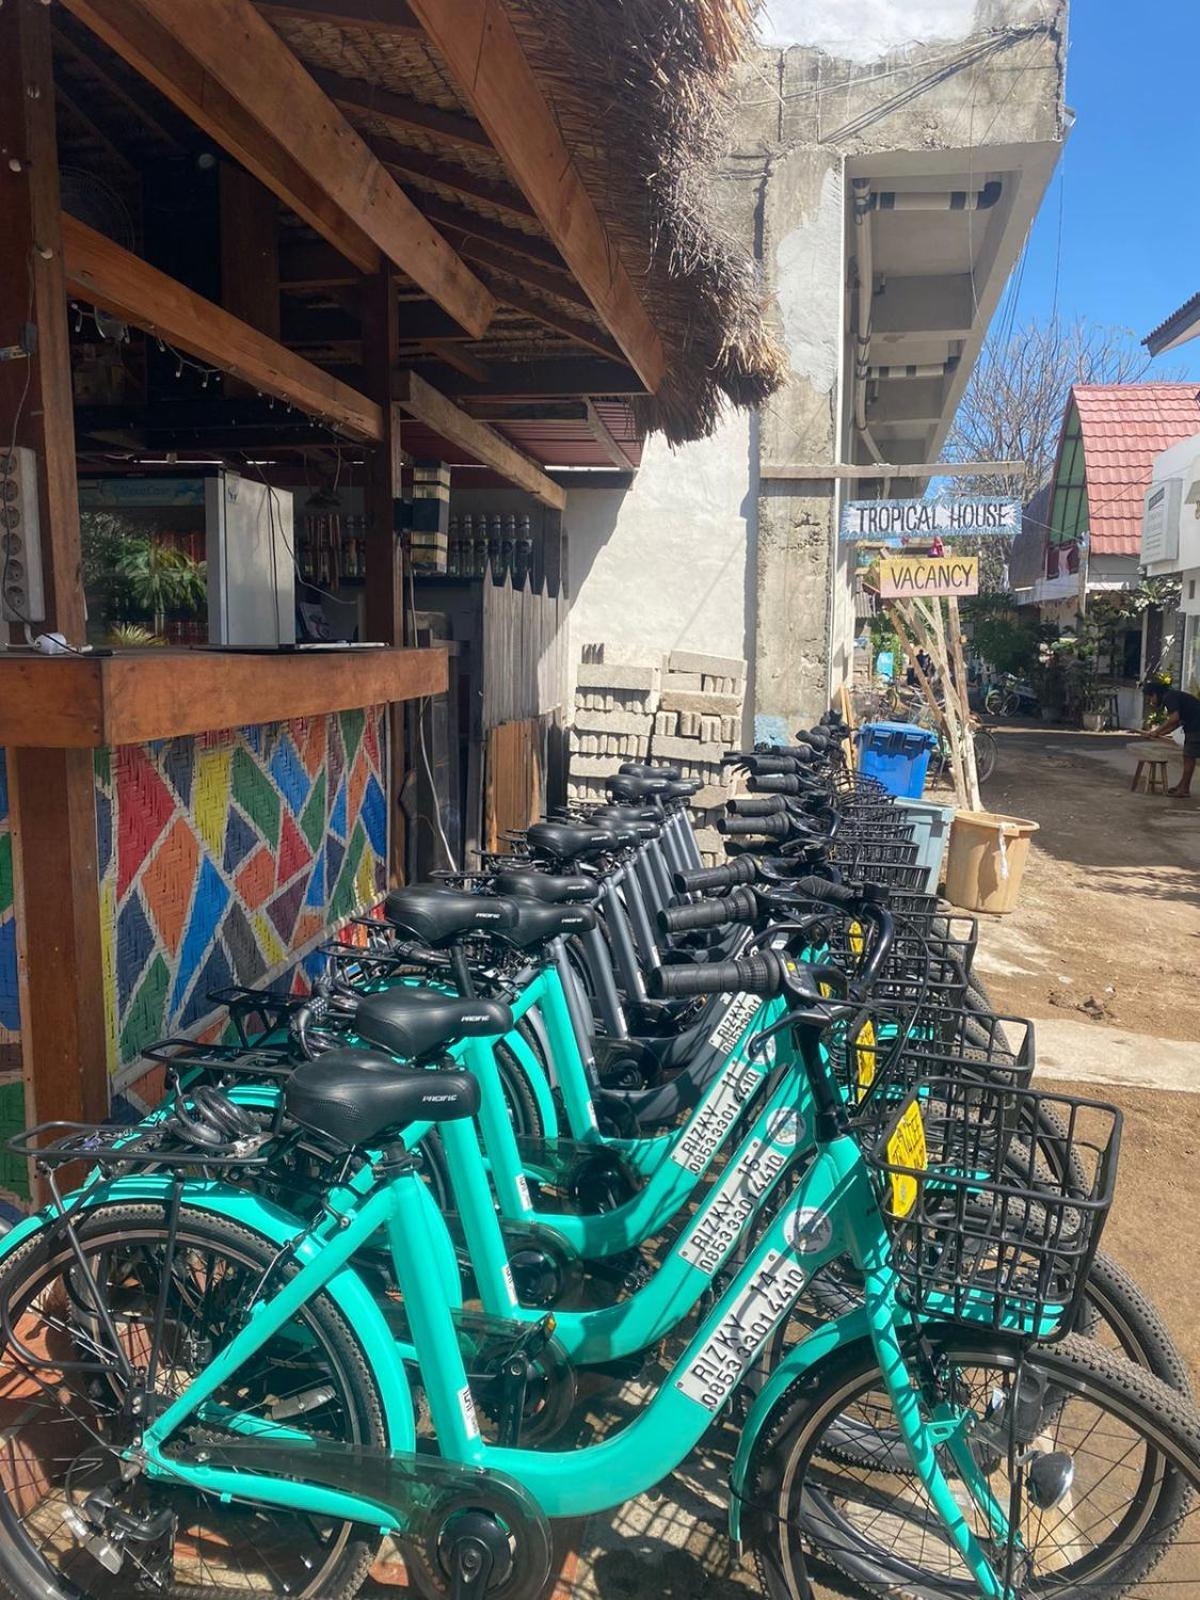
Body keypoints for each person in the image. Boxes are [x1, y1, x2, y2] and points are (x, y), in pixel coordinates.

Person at [1139, 676, 1200, 798]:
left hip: (1196, 727)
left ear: (1155, 694)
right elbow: (1175, 724)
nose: (1151, 701)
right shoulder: (1173, 696)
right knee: (1188, 757)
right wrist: (1157, 734)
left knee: (1189, 757)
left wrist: (1157, 730)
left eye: (1150, 697)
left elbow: (1174, 718)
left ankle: (1184, 789)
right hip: (1194, 726)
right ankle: (1182, 786)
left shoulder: (1169, 697)